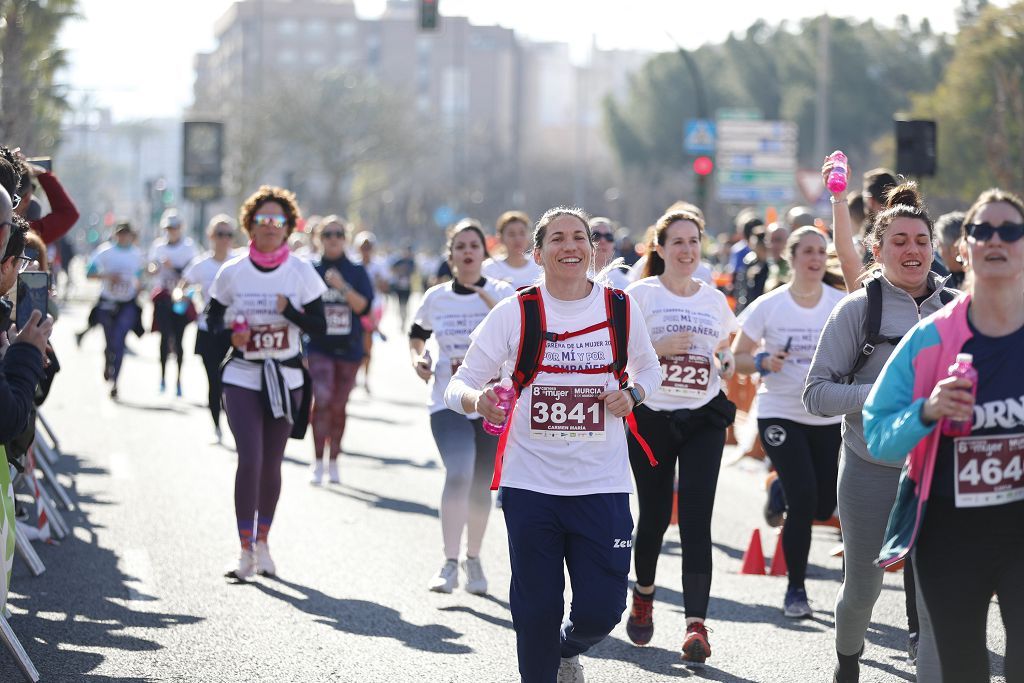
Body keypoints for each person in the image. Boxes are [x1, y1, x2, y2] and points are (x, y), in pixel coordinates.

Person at [444, 206, 661, 682]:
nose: (571, 246)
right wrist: (478, 402)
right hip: (530, 484)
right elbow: (456, 385)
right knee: (535, 610)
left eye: (579, 237)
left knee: (603, 609)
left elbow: (650, 369)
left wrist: (634, 394)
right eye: (558, 239)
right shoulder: (515, 312)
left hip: (601, 483)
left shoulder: (620, 308)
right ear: (537, 254)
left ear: (593, 248)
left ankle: (570, 648)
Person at [865, 188, 1024, 683]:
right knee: (963, 671)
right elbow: (878, 435)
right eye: (983, 230)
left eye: (1011, 230)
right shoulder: (930, 339)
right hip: (951, 534)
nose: (996, 240)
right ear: (962, 248)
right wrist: (927, 410)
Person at [804, 176, 955, 682]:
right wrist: (883, 395)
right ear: (877, 248)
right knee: (863, 589)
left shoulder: (958, 310)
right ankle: (848, 661)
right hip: (872, 469)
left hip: (942, 472)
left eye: (921, 241)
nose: (912, 251)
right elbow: (817, 394)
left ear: (934, 248)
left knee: (940, 593)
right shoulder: (857, 310)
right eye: (899, 241)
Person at [623, 209, 737, 663]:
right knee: (653, 516)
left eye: (694, 242)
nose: (687, 250)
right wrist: (658, 349)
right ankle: (645, 594)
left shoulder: (713, 300)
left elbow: (726, 350)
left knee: (695, 520)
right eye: (678, 243)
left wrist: (725, 364)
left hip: (702, 418)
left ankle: (696, 626)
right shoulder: (640, 296)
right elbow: (619, 352)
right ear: (660, 247)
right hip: (651, 418)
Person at [206, 186, 327, 580]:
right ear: (250, 226)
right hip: (242, 374)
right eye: (263, 220)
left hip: (286, 377)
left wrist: (289, 311)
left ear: (290, 227)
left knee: (272, 463)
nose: (270, 227)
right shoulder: (233, 271)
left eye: (278, 221)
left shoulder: (301, 272)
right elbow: (211, 322)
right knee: (250, 458)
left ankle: (263, 543)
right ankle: (243, 551)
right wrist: (231, 335)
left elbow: (320, 327)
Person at [732, 226, 845, 618]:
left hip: (827, 414)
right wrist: (763, 361)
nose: (815, 258)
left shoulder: (841, 302)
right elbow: (737, 357)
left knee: (823, 504)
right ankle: (796, 590)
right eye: (807, 251)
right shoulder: (770, 305)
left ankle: (778, 486)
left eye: (820, 251)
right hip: (779, 411)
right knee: (804, 500)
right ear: (791, 258)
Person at [409, 219, 514, 594]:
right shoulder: (436, 297)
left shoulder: (503, 292)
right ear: (450, 255)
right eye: (460, 247)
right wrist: (418, 360)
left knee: (481, 485)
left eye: (474, 246)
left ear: (484, 254)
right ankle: (449, 562)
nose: (467, 252)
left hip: (492, 403)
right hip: (447, 402)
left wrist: (483, 294)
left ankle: (473, 558)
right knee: (459, 472)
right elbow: (417, 337)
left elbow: (515, 331)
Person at [306, 216, 373, 485]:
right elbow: (300, 309)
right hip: (319, 347)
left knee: (338, 405)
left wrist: (342, 287)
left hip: (349, 348)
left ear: (345, 239)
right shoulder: (310, 269)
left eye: (338, 234)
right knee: (321, 400)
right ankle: (317, 459)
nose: (333, 239)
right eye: (327, 234)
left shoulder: (356, 271)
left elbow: (364, 308)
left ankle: (333, 460)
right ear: (318, 239)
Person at [183, 215, 238, 440]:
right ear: (210, 236)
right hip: (208, 330)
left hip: (234, 330)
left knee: (232, 382)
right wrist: (183, 297)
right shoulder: (201, 265)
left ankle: (236, 424)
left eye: (228, 235)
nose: (223, 239)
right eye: (219, 234)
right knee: (214, 380)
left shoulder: (239, 263)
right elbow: (183, 285)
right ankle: (216, 425)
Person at [86, 222, 145, 399]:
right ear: (115, 234)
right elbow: (89, 273)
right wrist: (108, 276)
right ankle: (107, 359)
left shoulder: (137, 254)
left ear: (131, 235)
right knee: (110, 341)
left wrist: (138, 285)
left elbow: (142, 278)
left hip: (127, 304)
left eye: (127, 234)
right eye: (120, 233)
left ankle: (115, 382)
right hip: (107, 302)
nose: (123, 237)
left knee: (119, 341)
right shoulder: (105, 252)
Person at [149, 208, 198, 396]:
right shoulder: (158, 246)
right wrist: (154, 268)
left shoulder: (189, 247)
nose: (172, 231)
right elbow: (152, 266)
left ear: (181, 228)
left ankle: (178, 380)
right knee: (164, 338)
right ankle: (162, 377)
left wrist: (174, 267)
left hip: (182, 299)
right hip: (164, 297)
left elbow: (192, 274)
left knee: (179, 341)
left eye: (175, 227)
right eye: (169, 228)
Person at [354, 230, 388, 393]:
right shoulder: (353, 265)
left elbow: (385, 287)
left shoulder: (379, 266)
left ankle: (366, 377)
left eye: (369, 247)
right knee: (354, 343)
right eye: (363, 246)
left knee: (367, 345)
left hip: (374, 309)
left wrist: (378, 280)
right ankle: (354, 375)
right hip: (355, 309)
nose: (366, 250)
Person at [482, 210, 542, 288]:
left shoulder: (539, 266)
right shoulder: (490, 267)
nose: (517, 239)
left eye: (522, 233)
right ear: (501, 238)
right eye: (511, 234)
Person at [589, 217, 631, 289]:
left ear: (614, 244)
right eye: (596, 236)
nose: (603, 241)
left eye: (608, 237)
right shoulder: (574, 278)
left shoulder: (625, 284)